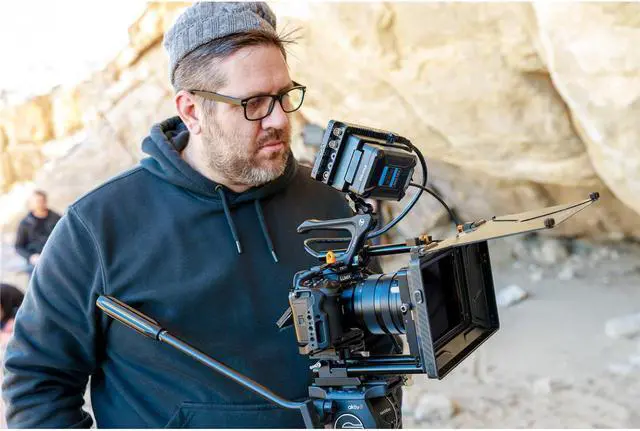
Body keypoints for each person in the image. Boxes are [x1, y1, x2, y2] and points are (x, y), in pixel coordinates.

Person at [2, 3, 398, 428]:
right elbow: (37, 385)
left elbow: (378, 343)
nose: (279, 118)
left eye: (284, 96)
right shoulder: (97, 226)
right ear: (191, 111)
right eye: (254, 103)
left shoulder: (330, 201)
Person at [14, 190, 61, 275]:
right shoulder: (25, 223)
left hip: (55, 259)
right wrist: (31, 257)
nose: (40, 203)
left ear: (46, 201)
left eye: (42, 201)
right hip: (35, 263)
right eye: (37, 201)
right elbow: (18, 246)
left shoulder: (57, 218)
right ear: (31, 203)